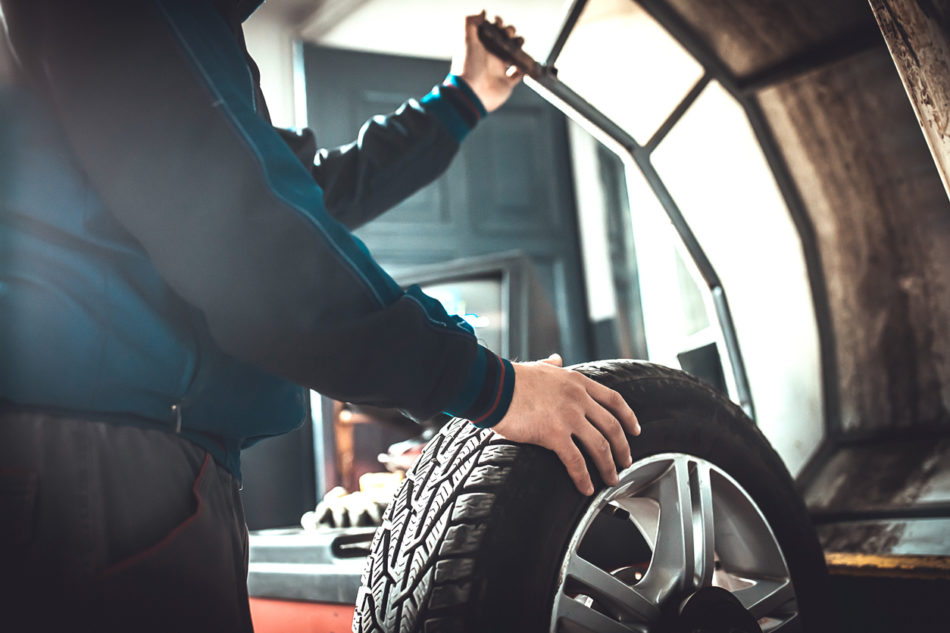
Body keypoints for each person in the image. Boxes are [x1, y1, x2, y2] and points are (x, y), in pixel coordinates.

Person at [0, 0, 639, 630]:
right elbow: (255, 241)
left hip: (130, 452)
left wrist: (463, 97)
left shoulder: (187, 38)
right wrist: (494, 386)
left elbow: (305, 195)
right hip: (104, 458)